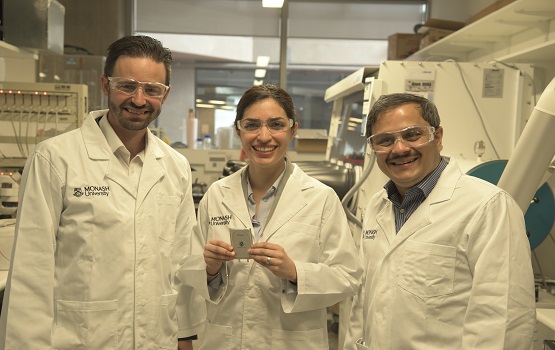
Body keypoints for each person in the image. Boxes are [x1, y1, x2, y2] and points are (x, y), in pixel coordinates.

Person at [0, 35, 203, 350]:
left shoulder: (175, 167)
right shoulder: (56, 158)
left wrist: (184, 336)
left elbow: (181, 262)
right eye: (127, 86)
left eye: (152, 89)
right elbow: (31, 269)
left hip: (155, 339)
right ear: (106, 85)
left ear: (166, 95)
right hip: (81, 339)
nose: (138, 99)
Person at [176, 83, 362, 350]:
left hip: (291, 341)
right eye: (252, 125)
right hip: (223, 340)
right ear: (238, 131)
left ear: (293, 130)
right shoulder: (217, 195)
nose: (264, 136)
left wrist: (295, 272)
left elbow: (348, 277)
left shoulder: (321, 198)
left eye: (276, 124)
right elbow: (187, 270)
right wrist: (209, 268)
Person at [344, 93, 536, 349]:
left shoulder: (488, 206)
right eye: (385, 140)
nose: (399, 149)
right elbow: (364, 301)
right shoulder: (378, 205)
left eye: (413, 134)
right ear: (374, 148)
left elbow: (504, 320)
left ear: (438, 136)